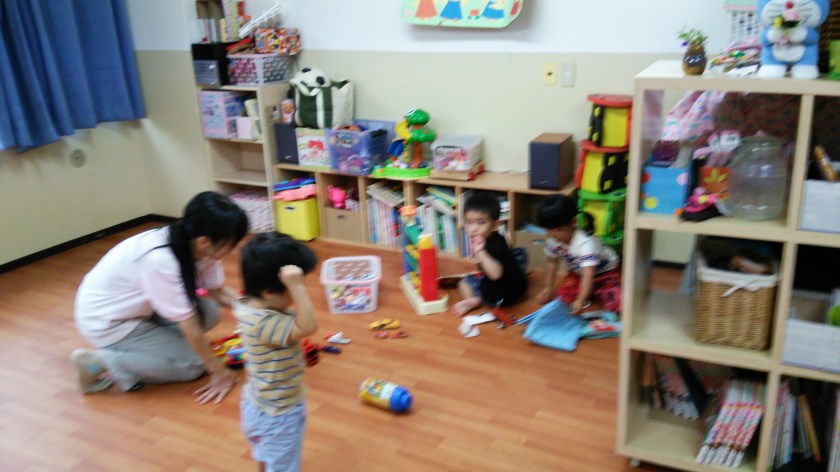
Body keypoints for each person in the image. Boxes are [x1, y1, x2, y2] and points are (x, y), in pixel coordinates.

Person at [72, 191, 248, 404]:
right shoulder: (160, 261)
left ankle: (160, 348)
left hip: (143, 308)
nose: (232, 249)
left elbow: (217, 291)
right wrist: (218, 372)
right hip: (108, 322)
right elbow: (189, 326)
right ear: (204, 242)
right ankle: (98, 362)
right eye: (230, 243)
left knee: (209, 313)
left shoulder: (198, 245)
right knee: (193, 365)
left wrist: (257, 314)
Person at [235, 232, 318, 472]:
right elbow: (308, 326)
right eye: (292, 287)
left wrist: (292, 285)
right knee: (283, 465)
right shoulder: (264, 323)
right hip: (279, 413)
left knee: (265, 455)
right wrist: (297, 286)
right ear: (269, 292)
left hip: (256, 403)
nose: (299, 291)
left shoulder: (247, 305)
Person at [536, 194, 620, 314]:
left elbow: (588, 274)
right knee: (564, 295)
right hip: (579, 272)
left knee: (615, 303)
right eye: (549, 230)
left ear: (573, 222)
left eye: (558, 229)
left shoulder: (585, 243)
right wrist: (547, 287)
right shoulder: (553, 239)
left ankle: (601, 288)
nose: (553, 235)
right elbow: (551, 263)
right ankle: (592, 290)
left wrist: (580, 300)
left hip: (605, 272)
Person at [452, 192, 528, 316]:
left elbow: (495, 275)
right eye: (469, 222)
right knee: (520, 252)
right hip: (520, 288)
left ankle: (475, 300)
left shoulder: (488, 246)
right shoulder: (498, 238)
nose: (473, 229)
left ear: (495, 225)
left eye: (481, 222)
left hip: (497, 297)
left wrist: (480, 252)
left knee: (463, 283)